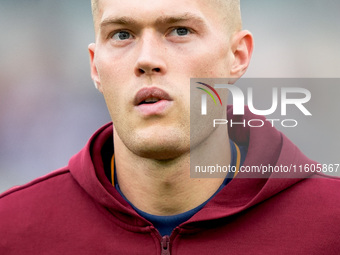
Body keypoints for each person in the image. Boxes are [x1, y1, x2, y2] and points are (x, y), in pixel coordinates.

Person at [0, 0, 339, 254]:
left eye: (179, 31)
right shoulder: (12, 229)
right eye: (122, 34)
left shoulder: (330, 225)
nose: (147, 59)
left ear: (237, 56)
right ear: (95, 68)